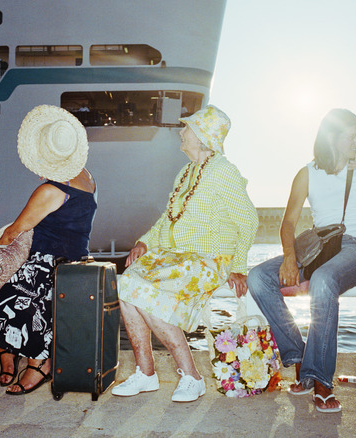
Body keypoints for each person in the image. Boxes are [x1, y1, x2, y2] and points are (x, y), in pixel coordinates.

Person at [246, 108, 356, 413]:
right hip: (320, 247)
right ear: (332, 137)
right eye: (351, 134)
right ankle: (300, 358)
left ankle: (321, 380)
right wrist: (289, 257)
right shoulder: (307, 173)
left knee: (324, 280)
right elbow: (288, 222)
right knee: (258, 277)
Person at [111, 105, 259, 403]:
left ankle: (191, 376)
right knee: (126, 284)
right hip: (175, 256)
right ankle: (146, 373)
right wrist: (143, 242)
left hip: (208, 260)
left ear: (203, 136)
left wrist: (239, 266)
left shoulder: (224, 172)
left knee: (144, 293)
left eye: (187, 128)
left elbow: (249, 221)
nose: (181, 131)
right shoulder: (185, 171)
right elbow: (167, 219)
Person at [0, 105, 96, 395]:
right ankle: (11, 351)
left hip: (48, 264)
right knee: (8, 284)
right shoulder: (86, 177)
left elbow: (15, 231)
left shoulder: (48, 191)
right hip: (75, 261)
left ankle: (36, 363)